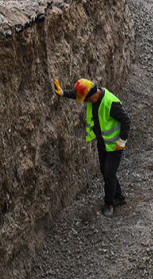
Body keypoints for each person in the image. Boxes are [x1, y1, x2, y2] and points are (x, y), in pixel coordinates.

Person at [53, 78, 131, 217]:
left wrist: (121, 140)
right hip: (103, 143)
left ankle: (109, 203)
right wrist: (63, 93)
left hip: (114, 146)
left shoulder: (110, 103)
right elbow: (79, 95)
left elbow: (126, 120)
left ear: (92, 94)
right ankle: (119, 197)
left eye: (86, 99)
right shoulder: (93, 97)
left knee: (108, 173)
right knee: (106, 171)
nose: (85, 101)